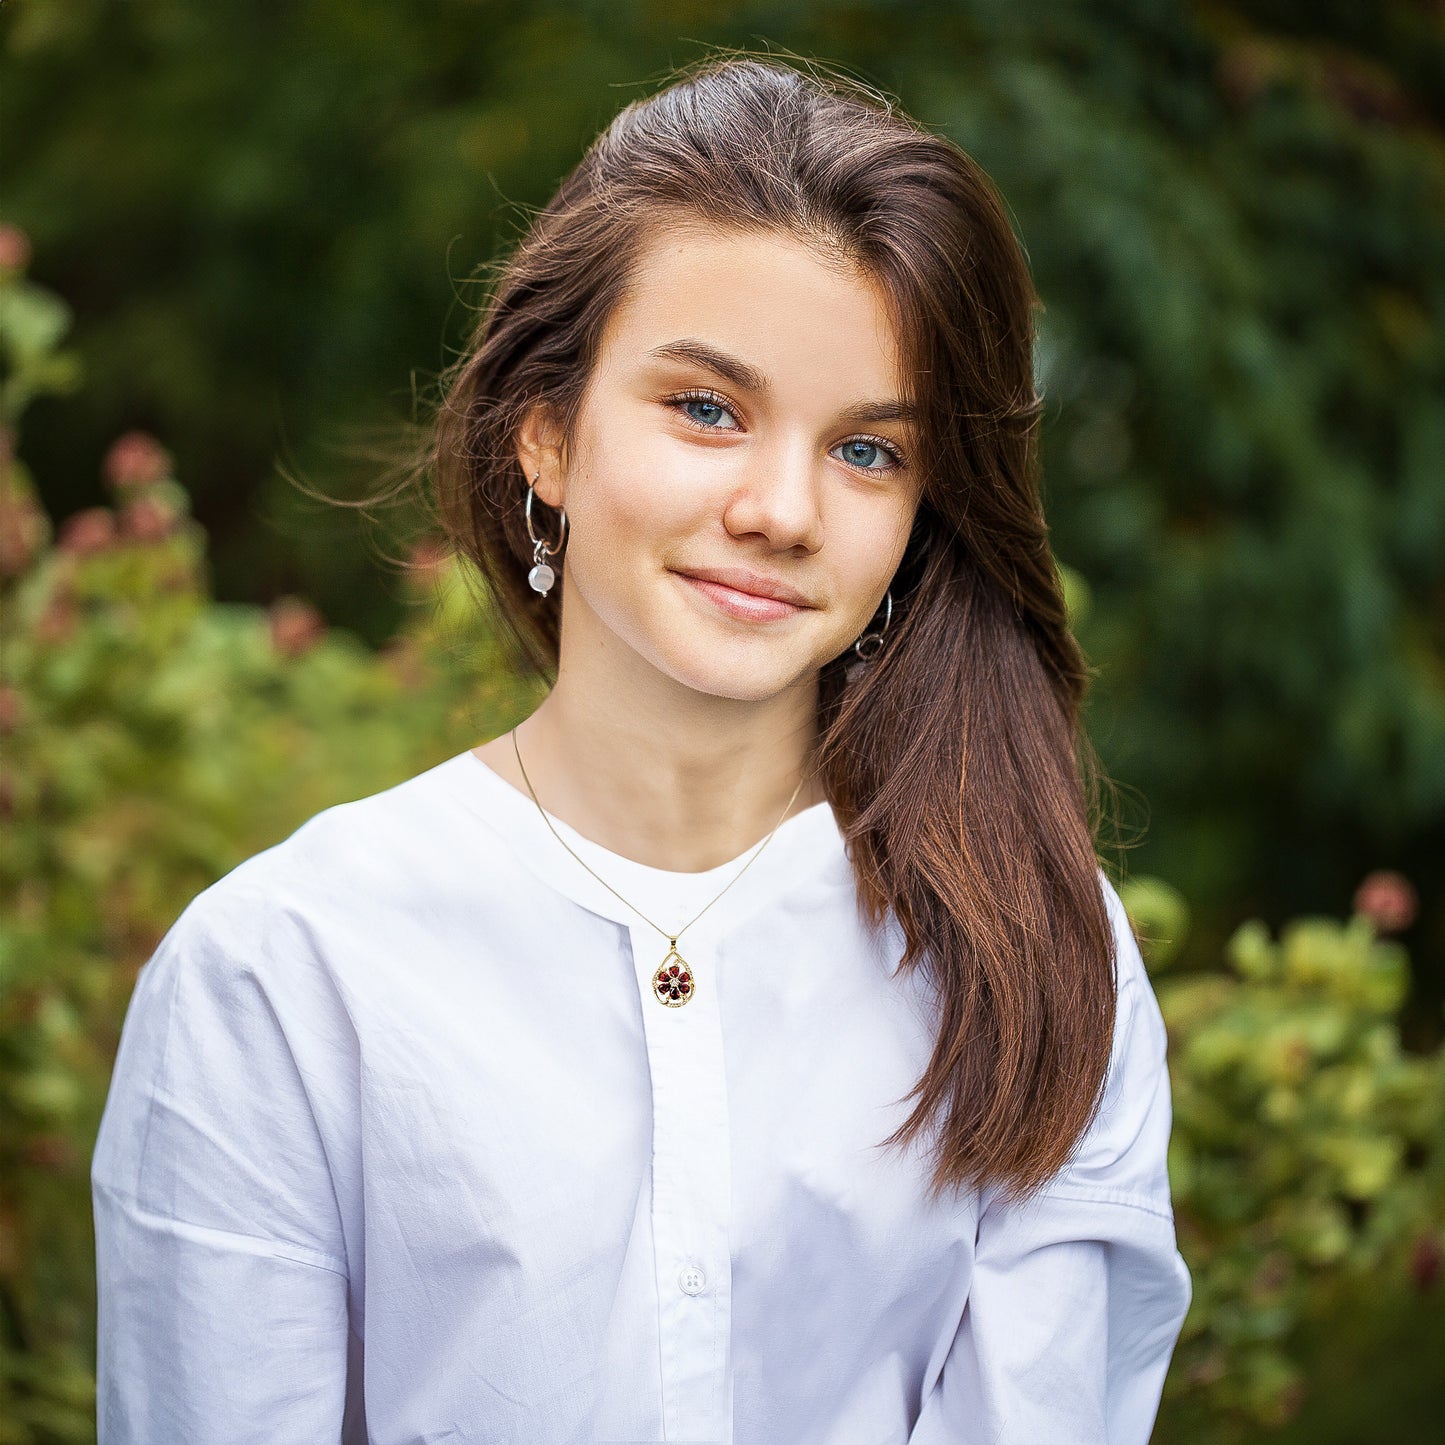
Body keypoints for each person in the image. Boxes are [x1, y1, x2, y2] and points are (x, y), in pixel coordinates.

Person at [91, 51, 1192, 1445]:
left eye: (867, 452)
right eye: (707, 410)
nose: (780, 507)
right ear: (543, 431)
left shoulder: (1039, 949)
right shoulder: (281, 971)